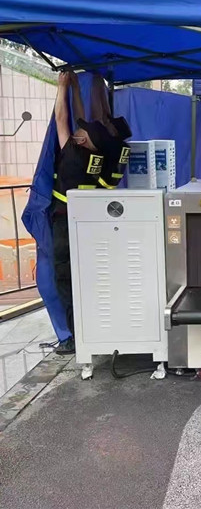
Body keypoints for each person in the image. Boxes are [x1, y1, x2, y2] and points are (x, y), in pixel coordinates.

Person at [51, 72, 112, 354]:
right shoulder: (95, 155)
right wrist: (76, 89)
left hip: (64, 223)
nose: (80, 128)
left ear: (83, 141)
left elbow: (62, 120)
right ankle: (94, 330)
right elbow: (78, 119)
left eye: (83, 132)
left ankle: (75, 337)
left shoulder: (73, 155)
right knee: (90, 278)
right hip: (87, 224)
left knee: (66, 279)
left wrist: (61, 87)